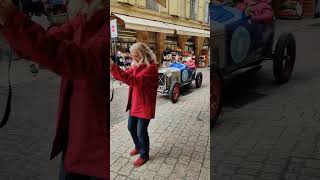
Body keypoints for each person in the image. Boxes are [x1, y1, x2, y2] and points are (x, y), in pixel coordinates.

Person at [0, 0, 109, 179]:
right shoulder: (82, 17)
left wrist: (13, 20)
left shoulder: (109, 23)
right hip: (75, 141)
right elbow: (49, 43)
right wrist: (9, 23)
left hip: (99, 154)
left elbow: (81, 60)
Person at [110, 42, 159, 167]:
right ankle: (138, 146)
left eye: (136, 56)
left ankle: (144, 154)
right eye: (132, 56)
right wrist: (117, 71)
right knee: (131, 127)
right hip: (135, 103)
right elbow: (128, 74)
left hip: (145, 104)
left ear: (143, 54)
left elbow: (135, 81)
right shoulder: (137, 65)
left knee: (141, 131)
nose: (133, 59)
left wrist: (114, 68)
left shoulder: (151, 68)